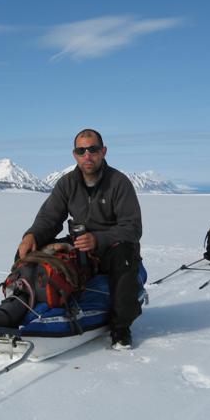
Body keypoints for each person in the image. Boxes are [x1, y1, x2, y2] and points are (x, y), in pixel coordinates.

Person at [17, 128, 143, 349]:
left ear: (103, 152)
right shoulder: (67, 183)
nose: (87, 155)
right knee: (32, 251)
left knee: (124, 255)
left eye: (93, 149)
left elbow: (132, 228)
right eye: (81, 150)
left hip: (112, 246)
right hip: (79, 242)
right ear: (74, 154)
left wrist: (97, 239)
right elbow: (49, 217)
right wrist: (31, 235)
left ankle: (121, 328)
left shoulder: (119, 182)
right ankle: (18, 304)